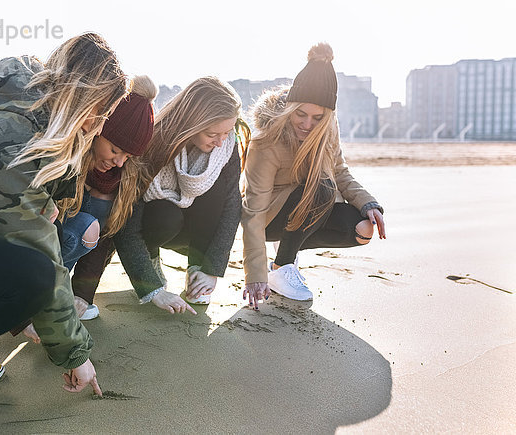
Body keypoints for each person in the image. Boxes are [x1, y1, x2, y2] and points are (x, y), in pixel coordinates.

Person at [0, 33, 126, 423]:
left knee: (18, 259)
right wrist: (75, 354)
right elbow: (36, 250)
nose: (99, 127)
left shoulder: (18, 118)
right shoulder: (9, 137)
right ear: (89, 104)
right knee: (30, 277)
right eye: (103, 113)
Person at [70, 77, 250, 315]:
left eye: (227, 132)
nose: (220, 142)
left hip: (195, 229)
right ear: (193, 122)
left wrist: (211, 268)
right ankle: (151, 259)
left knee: (218, 190)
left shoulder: (226, 146)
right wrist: (151, 288)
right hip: (158, 226)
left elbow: (231, 205)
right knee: (166, 215)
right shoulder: (154, 144)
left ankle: (196, 271)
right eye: (212, 134)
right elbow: (125, 220)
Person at [241, 43, 386, 308]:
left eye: (317, 117)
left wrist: (368, 204)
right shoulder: (266, 142)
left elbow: (340, 171)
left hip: (311, 206)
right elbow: (253, 210)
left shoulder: (328, 129)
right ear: (290, 107)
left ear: (328, 115)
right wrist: (255, 273)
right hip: (271, 218)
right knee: (322, 187)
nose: (308, 124)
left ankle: (287, 252)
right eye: (300, 114)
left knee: (363, 230)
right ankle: (282, 267)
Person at [61, 75, 156, 321]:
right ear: (97, 130)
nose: (119, 162)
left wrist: (82, 294)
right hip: (40, 257)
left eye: (128, 155)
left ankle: (69, 295)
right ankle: (47, 295)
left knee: (96, 221)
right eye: (115, 150)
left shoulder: (122, 177)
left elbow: (103, 239)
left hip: (74, 252)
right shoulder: (66, 158)